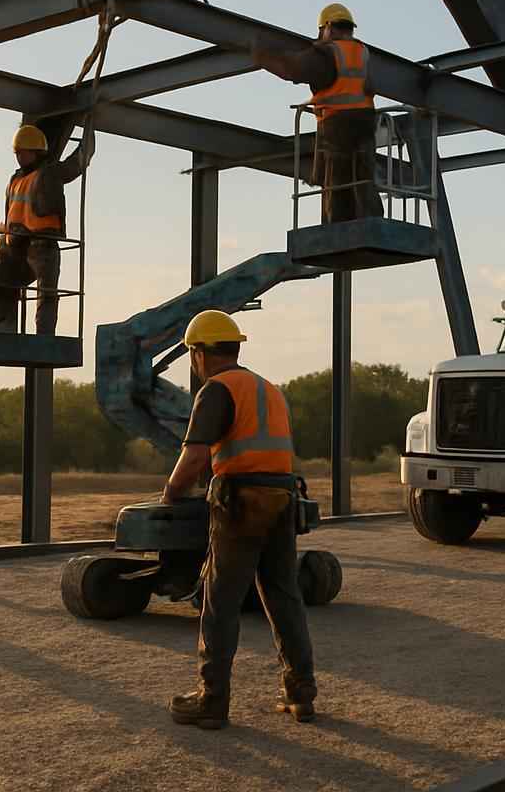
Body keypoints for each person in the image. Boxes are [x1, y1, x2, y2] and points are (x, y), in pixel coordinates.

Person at [161, 310, 317, 730]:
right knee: (283, 595)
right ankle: (300, 693)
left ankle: (212, 700)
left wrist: (171, 494)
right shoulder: (269, 389)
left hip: (240, 501)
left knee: (220, 601)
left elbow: (194, 457)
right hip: (282, 498)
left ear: (198, 353)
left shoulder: (216, 390)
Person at [250, 2, 382, 223]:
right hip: (366, 122)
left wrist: (260, 54)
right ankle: (372, 222)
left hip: (338, 123)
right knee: (363, 175)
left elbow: (292, 68)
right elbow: (370, 86)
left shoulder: (328, 53)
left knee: (336, 178)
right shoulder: (362, 52)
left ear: (328, 27)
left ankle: (336, 227)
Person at [0, 122, 94, 335]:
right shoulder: (15, 179)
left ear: (36, 152)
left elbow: (76, 165)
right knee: (0, 278)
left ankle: (44, 335)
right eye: (17, 153)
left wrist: (89, 135)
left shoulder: (48, 173)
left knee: (47, 292)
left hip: (42, 244)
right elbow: (9, 211)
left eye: (23, 152)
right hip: (15, 245)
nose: (19, 157)